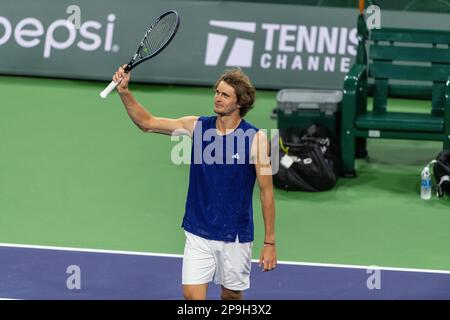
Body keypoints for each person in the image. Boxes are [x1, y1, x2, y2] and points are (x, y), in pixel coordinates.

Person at [112, 66, 276, 300]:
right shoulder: (197, 126)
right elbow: (147, 122)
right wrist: (125, 92)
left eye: (225, 95)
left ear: (240, 102)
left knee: (231, 296)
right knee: (192, 297)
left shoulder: (256, 139)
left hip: (235, 235)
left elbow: (266, 193)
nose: (218, 98)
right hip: (198, 230)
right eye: (217, 92)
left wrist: (269, 241)